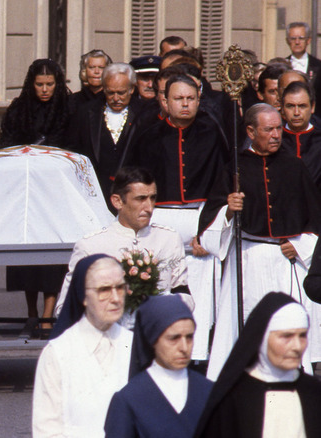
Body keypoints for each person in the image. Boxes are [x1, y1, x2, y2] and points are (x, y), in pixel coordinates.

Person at [198, 103, 321, 380]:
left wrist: (300, 245)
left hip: (285, 261)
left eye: (279, 128)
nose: (277, 134)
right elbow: (208, 231)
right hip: (247, 258)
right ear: (251, 131)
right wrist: (229, 209)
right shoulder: (234, 168)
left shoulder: (295, 166)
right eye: (269, 129)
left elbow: (315, 219)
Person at [127, 74, 229, 359]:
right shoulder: (148, 136)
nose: (185, 104)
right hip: (160, 220)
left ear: (199, 99)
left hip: (201, 220)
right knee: (160, 289)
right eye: (178, 99)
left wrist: (208, 231)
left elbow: (222, 186)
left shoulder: (213, 132)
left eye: (190, 98)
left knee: (201, 295)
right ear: (164, 101)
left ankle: (197, 358)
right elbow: (132, 183)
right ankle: (156, 352)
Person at [52, 167, 190, 330]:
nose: (149, 208)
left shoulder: (169, 239)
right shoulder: (91, 245)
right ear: (117, 201)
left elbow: (182, 292)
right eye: (140, 199)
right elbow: (64, 309)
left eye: (152, 198)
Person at [0, 59, 70, 331]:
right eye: (39, 84)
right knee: (27, 256)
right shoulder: (19, 109)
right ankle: (31, 312)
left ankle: (48, 315)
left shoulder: (66, 107)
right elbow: (5, 146)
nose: (44, 90)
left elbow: (73, 147)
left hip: (55, 194)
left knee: (52, 257)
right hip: (25, 192)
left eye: (50, 84)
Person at [194, 292, 321, 437]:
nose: (297, 346)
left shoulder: (313, 391)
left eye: (302, 336)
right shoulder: (235, 397)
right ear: (263, 338)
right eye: (286, 336)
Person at [33, 255, 131, 438]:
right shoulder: (58, 353)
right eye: (104, 290)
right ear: (83, 296)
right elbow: (47, 429)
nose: (116, 298)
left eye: (120, 288)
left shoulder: (136, 346)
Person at [104, 295, 213, 438]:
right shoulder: (129, 400)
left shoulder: (209, 392)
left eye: (189, 337)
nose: (184, 347)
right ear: (153, 339)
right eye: (174, 338)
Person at [71, 62, 142, 197]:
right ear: (104, 89)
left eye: (121, 93)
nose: (116, 99)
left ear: (132, 89)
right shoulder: (85, 113)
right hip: (95, 190)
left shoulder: (144, 114)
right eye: (110, 93)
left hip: (131, 191)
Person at [280, 81, 321, 189]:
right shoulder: (275, 139)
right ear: (282, 108)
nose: (296, 112)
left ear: (312, 107)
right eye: (290, 106)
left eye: (302, 106)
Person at [285, 21, 321, 117]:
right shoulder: (282, 65)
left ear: (308, 40)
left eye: (301, 38)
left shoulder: (318, 66)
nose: (297, 42)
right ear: (287, 41)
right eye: (293, 38)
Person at [67, 49, 112, 115]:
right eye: (92, 67)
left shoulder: (112, 99)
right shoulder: (72, 101)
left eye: (101, 67)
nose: (96, 71)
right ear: (84, 71)